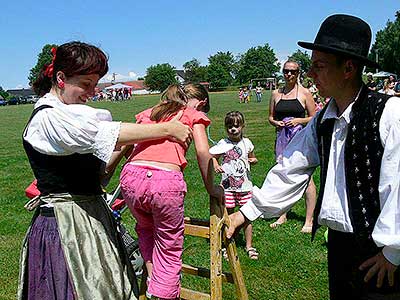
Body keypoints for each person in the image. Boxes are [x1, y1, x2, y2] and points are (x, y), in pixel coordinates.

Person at [227, 14, 400, 299]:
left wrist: (394, 252)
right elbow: (290, 168)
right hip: (340, 249)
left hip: (380, 252)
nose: (310, 74)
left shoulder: (389, 112)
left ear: (348, 67)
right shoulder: (322, 121)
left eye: (318, 66)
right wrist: (245, 214)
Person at [19, 41, 192, 300]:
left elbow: (97, 169)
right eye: (86, 84)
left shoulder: (70, 114)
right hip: (66, 228)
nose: (91, 92)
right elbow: (104, 134)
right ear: (61, 78)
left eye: (95, 84)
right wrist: (167, 129)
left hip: (91, 219)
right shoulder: (48, 117)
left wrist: (127, 151)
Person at [119, 84, 223, 300]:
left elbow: (124, 146)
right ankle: (165, 293)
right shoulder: (193, 114)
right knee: (169, 242)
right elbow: (203, 153)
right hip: (164, 182)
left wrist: (106, 172)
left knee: (146, 229)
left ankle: (152, 280)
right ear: (200, 103)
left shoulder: (150, 112)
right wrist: (211, 187)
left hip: (131, 177)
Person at [268, 60, 317, 233]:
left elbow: (314, 117)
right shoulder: (276, 94)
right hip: (282, 140)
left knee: (306, 178)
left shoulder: (304, 93)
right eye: (286, 71)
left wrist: (298, 121)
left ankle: (309, 220)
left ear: (298, 73)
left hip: (300, 141)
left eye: (293, 72)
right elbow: (270, 117)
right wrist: (277, 123)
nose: (289, 75)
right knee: (283, 177)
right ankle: (283, 214)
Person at [212, 111, 258, 259]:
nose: (233, 129)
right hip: (228, 187)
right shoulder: (223, 143)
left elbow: (252, 157)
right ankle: (227, 244)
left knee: (247, 216)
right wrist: (215, 164)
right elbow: (213, 157)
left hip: (245, 187)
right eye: (230, 126)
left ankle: (249, 245)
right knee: (229, 216)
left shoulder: (247, 143)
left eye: (236, 126)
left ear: (242, 126)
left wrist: (253, 160)